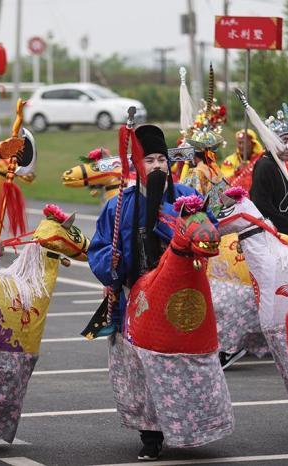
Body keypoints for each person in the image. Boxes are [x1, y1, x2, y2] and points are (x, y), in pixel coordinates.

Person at [88, 124, 231, 461]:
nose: (156, 166)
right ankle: (150, 435)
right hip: (135, 302)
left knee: (182, 370)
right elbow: (99, 250)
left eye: (161, 160)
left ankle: (187, 427)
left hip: (179, 303)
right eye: (148, 160)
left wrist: (186, 222)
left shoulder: (185, 198)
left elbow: (208, 237)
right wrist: (111, 262)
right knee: (141, 374)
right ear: (137, 165)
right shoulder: (118, 205)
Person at [249, 103, 288, 236]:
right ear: (272, 141)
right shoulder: (265, 166)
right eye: (284, 140)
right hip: (272, 234)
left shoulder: (279, 165)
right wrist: (287, 227)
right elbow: (262, 205)